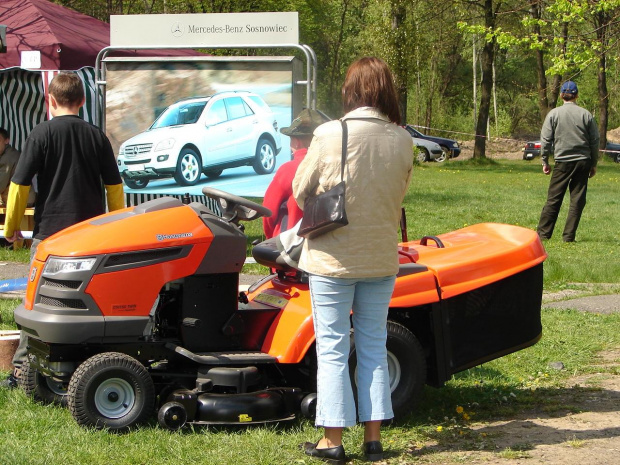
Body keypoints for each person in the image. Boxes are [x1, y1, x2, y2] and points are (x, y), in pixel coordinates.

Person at [293, 57, 413, 464]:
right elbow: (399, 194)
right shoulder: (403, 138)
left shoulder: (329, 133)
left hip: (333, 257)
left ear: (352, 90)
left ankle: (333, 440)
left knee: (332, 347)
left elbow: (300, 189)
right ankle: (373, 440)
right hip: (381, 256)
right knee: (374, 346)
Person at [0, 72, 125, 389]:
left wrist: (11, 228)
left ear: (50, 101)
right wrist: (120, 229)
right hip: (91, 235)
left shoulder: (40, 134)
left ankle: (22, 370)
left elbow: (19, 185)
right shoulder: (97, 136)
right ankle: (88, 360)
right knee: (90, 297)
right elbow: (114, 188)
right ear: (83, 102)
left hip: (49, 235)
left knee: (36, 301)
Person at [537, 80, 599, 242]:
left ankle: (543, 235)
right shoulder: (586, 114)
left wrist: (545, 161)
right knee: (577, 200)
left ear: (561, 96)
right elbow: (594, 140)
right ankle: (569, 236)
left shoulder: (554, 114)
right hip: (583, 161)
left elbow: (545, 140)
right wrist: (593, 163)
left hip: (562, 162)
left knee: (554, 199)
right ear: (576, 95)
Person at [262, 109, 329, 239]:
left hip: (292, 247)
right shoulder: (335, 165)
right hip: (328, 243)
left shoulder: (288, 169)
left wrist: (271, 239)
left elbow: (268, 212)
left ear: (296, 141)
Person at [0, 128, 36, 209]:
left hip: (21, 201)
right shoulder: (8, 153)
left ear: (6, 140)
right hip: (21, 199)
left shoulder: (8, 157)